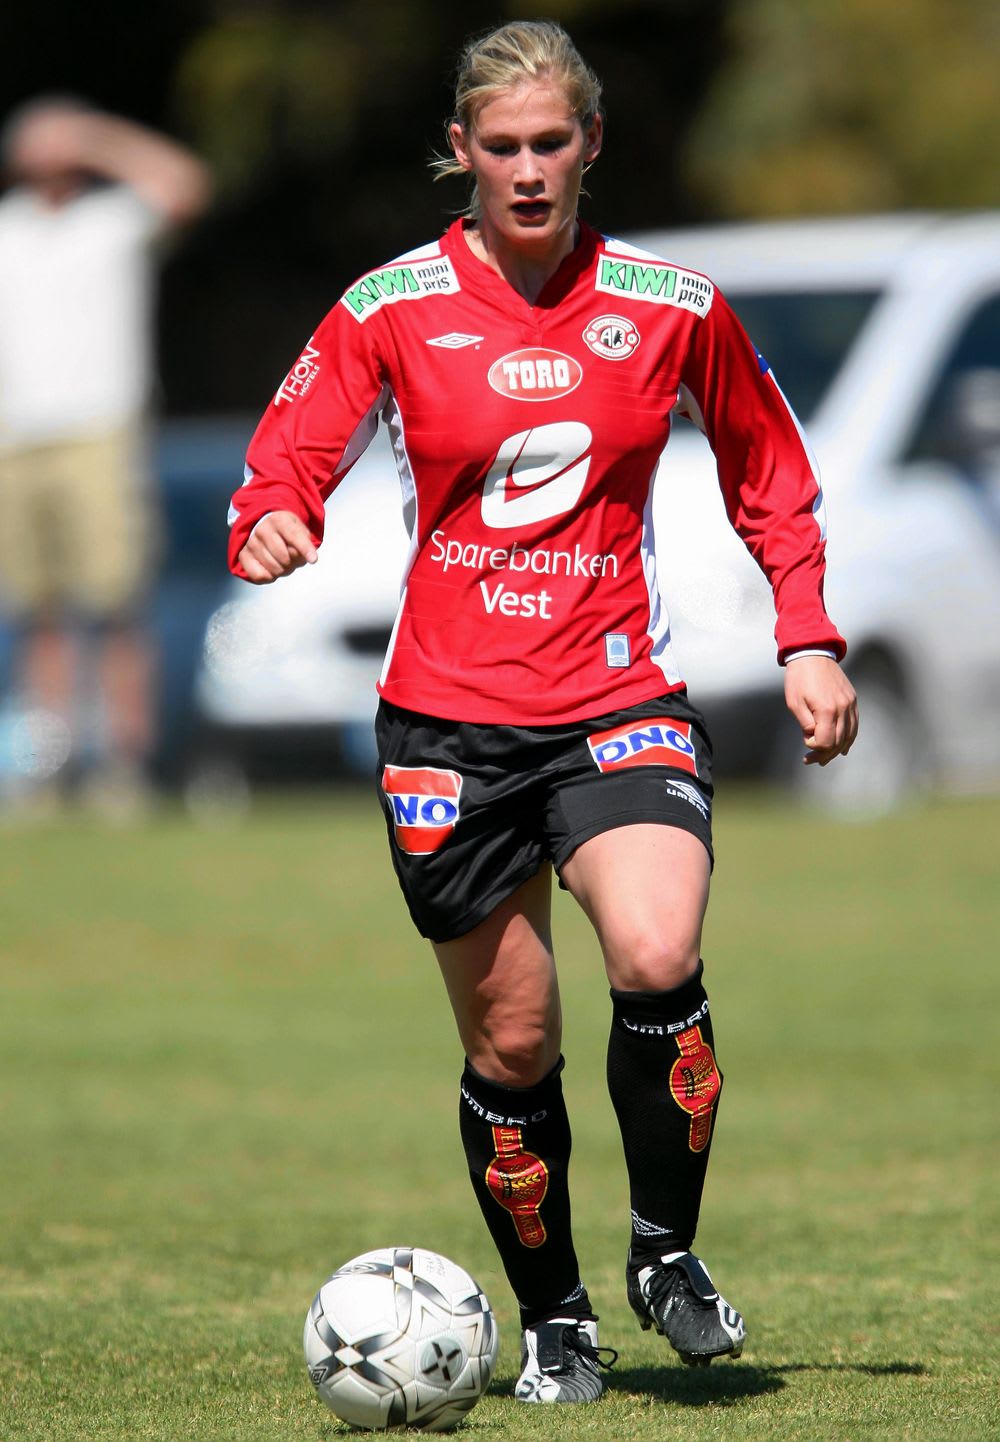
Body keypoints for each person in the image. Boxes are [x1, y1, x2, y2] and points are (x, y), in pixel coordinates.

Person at [228, 20, 858, 1405]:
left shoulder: (671, 302)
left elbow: (770, 470)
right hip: (447, 725)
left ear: (590, 145)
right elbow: (282, 462)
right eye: (502, 145)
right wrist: (273, 519)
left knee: (657, 945)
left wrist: (807, 634)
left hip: (616, 694)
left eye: (551, 143)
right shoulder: (390, 304)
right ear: (462, 150)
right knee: (513, 1043)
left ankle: (665, 1251)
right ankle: (554, 1315)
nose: (527, 169)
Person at [0, 98, 211, 815]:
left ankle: (121, 768)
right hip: (16, 436)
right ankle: (45, 767)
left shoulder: (112, 220)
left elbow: (185, 184)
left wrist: (91, 136)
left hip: (99, 430)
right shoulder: (9, 230)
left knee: (116, 604)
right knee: (38, 613)